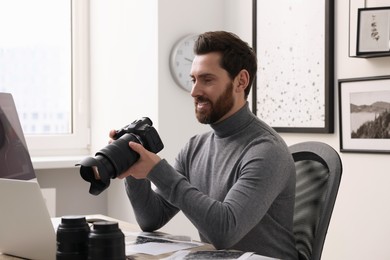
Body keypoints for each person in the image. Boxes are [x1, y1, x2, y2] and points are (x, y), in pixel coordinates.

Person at [113, 31, 298, 259]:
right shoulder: (195, 148)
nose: (194, 91)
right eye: (193, 80)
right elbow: (152, 218)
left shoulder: (267, 151)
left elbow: (225, 231)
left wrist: (157, 170)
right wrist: (133, 163)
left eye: (207, 80)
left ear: (241, 81)